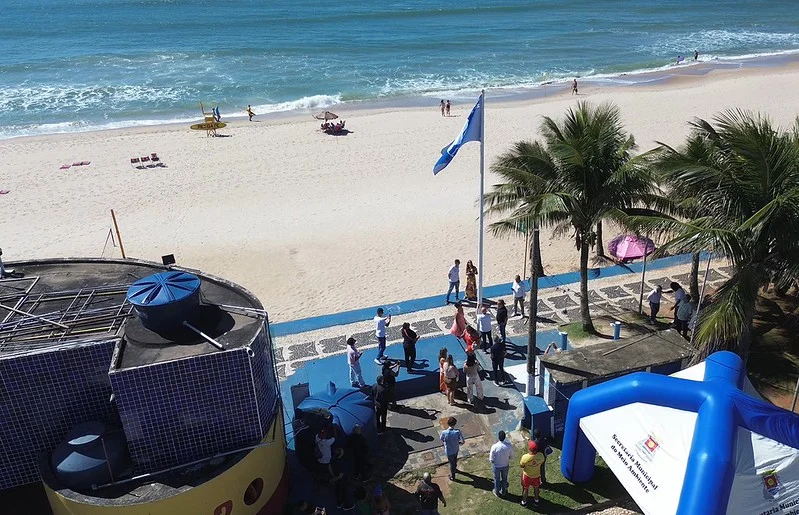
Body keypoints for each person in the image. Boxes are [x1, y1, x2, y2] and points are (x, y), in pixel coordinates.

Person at [520, 440, 545, 507]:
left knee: (525, 489)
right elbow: (542, 461)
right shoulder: (541, 456)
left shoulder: (525, 457)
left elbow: (521, 465)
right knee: (536, 488)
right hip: (536, 476)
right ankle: (536, 501)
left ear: (529, 449)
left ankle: (524, 502)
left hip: (527, 476)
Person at [489, 430, 513, 497]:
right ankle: (504, 491)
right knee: (504, 478)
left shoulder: (494, 446)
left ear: (498, 437)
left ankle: (497, 492)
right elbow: (511, 457)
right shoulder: (509, 446)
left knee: (496, 479)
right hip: (505, 465)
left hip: (496, 466)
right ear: (505, 437)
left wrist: (495, 462)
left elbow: (491, 459)